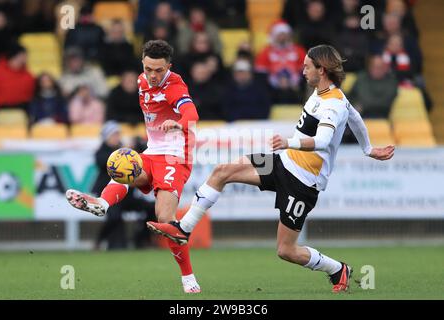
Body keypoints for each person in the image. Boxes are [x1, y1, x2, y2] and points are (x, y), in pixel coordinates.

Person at [147, 45, 395, 293]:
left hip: (303, 182)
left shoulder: (332, 105)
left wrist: (289, 142)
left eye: (307, 66)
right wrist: (368, 148)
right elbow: (356, 118)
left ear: (322, 69)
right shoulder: (327, 93)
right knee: (222, 171)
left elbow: (322, 141)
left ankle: (337, 269)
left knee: (286, 250)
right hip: (283, 163)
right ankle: (184, 229)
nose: (303, 69)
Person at [65, 40, 201, 293]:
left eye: (159, 70)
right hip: (153, 152)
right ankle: (102, 204)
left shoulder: (174, 85)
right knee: (122, 163)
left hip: (175, 157)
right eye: (148, 68)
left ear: (168, 67)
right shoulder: (140, 81)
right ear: (143, 64)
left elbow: (192, 114)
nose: (153, 75)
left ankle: (188, 277)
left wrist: (180, 123)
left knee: (166, 219)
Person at [91, 121, 156, 250]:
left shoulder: (124, 150)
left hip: (126, 196)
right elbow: (104, 162)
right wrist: (127, 150)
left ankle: (141, 239)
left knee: (151, 208)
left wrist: (134, 147)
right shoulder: (102, 152)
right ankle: (99, 241)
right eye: (113, 135)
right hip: (110, 196)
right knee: (115, 217)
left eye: (117, 134)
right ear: (106, 137)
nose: (116, 137)